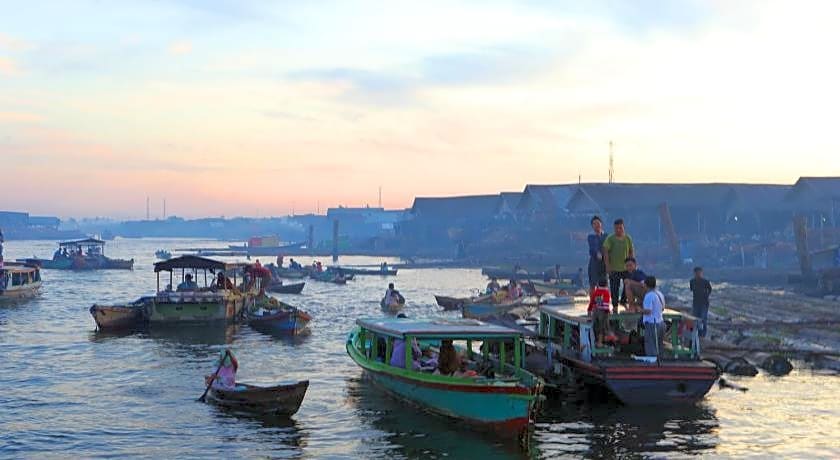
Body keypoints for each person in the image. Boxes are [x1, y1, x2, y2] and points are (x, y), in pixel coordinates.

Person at [603, 218, 634, 314]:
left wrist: (632, 264)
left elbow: (631, 251)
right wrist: (607, 265)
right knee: (614, 288)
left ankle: (624, 301)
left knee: (628, 286)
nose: (618, 230)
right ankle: (615, 305)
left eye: (620, 228)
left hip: (626, 268)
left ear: (624, 228)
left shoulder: (628, 238)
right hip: (614, 268)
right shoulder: (610, 238)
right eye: (616, 228)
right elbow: (605, 250)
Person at [641, 276, 665, 357]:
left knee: (650, 345)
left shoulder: (649, 296)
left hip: (652, 323)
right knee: (659, 345)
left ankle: (653, 363)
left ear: (646, 285)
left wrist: (638, 310)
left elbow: (648, 311)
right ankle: (661, 362)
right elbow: (663, 308)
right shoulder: (659, 294)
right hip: (661, 322)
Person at [588, 279, 613, 347]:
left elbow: (592, 301)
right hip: (602, 312)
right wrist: (607, 311)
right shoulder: (606, 292)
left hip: (595, 311)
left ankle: (594, 341)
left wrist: (589, 310)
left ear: (598, 284)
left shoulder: (596, 292)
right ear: (607, 285)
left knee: (595, 326)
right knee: (602, 328)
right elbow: (606, 304)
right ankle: (600, 342)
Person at [690, 267, 713, 338]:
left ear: (702, 273)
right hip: (696, 302)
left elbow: (710, 289)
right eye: (697, 273)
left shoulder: (705, 281)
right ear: (694, 273)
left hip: (704, 303)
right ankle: (697, 334)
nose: (698, 274)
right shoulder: (692, 281)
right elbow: (691, 289)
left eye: (699, 273)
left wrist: (706, 295)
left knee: (703, 318)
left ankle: (703, 335)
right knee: (695, 318)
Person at [587, 215, 608, 292]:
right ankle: (592, 302)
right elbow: (593, 247)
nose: (597, 225)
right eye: (594, 223)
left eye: (598, 223)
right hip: (594, 263)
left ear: (601, 224)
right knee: (593, 284)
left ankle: (603, 302)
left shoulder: (606, 236)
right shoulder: (591, 236)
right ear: (592, 226)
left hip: (604, 263)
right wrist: (597, 253)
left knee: (603, 284)